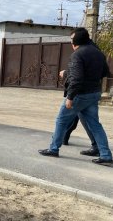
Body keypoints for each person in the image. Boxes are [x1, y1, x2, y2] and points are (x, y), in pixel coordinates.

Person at [38, 27, 112, 165]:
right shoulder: (98, 53)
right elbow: (104, 73)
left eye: (71, 39)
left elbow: (77, 79)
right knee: (95, 124)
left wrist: (70, 97)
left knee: (61, 120)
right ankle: (106, 155)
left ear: (76, 41)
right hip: (94, 93)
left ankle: (53, 149)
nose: (71, 41)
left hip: (80, 95)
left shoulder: (78, 54)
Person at [60, 69, 99, 157]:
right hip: (86, 92)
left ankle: (96, 146)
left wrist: (66, 73)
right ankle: (64, 138)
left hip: (81, 92)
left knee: (87, 121)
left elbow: (78, 74)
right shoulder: (94, 56)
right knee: (75, 118)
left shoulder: (81, 56)